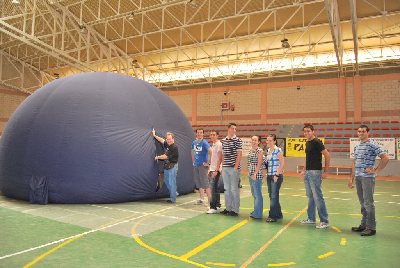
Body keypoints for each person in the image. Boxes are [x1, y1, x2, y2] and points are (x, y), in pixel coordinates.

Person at [348, 124, 389, 236]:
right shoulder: (357, 146)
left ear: (368, 133)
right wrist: (351, 178)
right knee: (363, 203)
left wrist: (376, 170)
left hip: (367, 178)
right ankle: (364, 225)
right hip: (358, 177)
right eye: (359, 131)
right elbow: (354, 163)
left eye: (363, 131)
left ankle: (371, 228)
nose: (360, 133)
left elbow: (385, 157)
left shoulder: (372, 145)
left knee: (368, 203)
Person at [299, 124, 330, 229]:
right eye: (305, 131)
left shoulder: (317, 142)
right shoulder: (307, 142)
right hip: (308, 172)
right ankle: (311, 219)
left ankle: (324, 221)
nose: (306, 133)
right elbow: (307, 157)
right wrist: (304, 170)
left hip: (315, 172)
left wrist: (326, 171)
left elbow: (327, 155)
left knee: (317, 196)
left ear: (313, 131)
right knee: (310, 196)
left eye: (308, 131)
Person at [221, 123, 243, 217]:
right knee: (227, 189)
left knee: (234, 189)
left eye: (235, 129)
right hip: (225, 168)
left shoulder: (238, 140)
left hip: (233, 168)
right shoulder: (224, 140)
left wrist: (235, 167)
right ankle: (228, 208)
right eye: (232, 128)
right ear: (228, 129)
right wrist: (222, 166)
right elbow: (222, 154)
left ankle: (235, 210)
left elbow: (239, 154)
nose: (234, 130)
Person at [153, 129, 179, 203]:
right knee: (167, 180)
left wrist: (157, 157)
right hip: (167, 166)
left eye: (170, 139)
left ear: (173, 139)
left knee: (171, 182)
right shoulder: (168, 143)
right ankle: (174, 192)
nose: (168, 140)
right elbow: (162, 140)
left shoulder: (174, 147)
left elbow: (165, 156)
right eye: (167, 139)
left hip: (173, 166)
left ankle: (173, 199)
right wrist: (155, 136)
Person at [265, 134, 285, 223]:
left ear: (274, 141)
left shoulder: (278, 150)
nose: (268, 142)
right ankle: (278, 214)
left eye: (270, 140)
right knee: (272, 196)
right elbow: (267, 163)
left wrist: (276, 175)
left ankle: (272, 216)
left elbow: (282, 163)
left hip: (276, 176)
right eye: (267, 140)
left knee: (273, 196)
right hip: (269, 176)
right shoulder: (268, 150)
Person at [191, 128, 212, 205]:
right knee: (199, 183)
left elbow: (211, 151)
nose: (199, 134)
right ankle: (202, 199)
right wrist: (193, 161)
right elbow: (192, 151)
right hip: (196, 165)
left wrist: (209, 163)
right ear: (196, 134)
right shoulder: (194, 142)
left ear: (203, 134)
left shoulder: (204, 143)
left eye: (201, 133)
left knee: (205, 183)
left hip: (203, 166)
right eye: (198, 133)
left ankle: (211, 202)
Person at [247, 135, 264, 219]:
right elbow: (249, 162)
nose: (253, 141)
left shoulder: (259, 150)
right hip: (250, 174)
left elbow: (259, 163)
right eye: (252, 140)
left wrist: (255, 174)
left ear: (259, 142)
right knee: (254, 194)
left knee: (258, 194)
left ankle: (258, 213)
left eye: (255, 140)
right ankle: (256, 210)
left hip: (257, 175)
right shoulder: (250, 150)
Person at [207, 130, 223, 214]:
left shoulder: (219, 145)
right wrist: (209, 168)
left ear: (217, 136)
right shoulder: (213, 145)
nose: (212, 136)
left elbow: (220, 158)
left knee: (212, 189)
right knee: (216, 189)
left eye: (214, 135)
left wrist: (216, 170)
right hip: (212, 169)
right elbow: (213, 159)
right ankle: (217, 205)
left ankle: (212, 207)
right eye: (211, 135)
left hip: (215, 170)